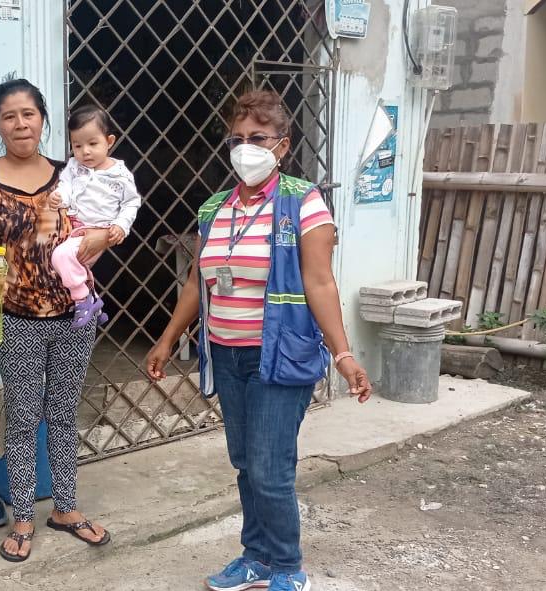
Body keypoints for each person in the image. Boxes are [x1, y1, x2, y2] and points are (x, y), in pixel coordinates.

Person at [145, 89, 372, 591]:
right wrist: (166, 339)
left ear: (283, 145)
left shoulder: (302, 201)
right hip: (227, 356)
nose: (246, 147)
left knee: (270, 468)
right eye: (238, 138)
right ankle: (256, 557)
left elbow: (320, 282)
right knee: (246, 464)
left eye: (259, 138)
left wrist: (343, 353)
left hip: (279, 356)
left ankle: (287, 565)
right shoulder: (214, 209)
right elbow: (197, 283)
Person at [0, 78, 112, 563]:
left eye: (29, 114)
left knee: (63, 412)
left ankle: (65, 507)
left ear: (43, 119)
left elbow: (96, 225)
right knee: (23, 417)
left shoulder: (71, 175)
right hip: (14, 317)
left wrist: (99, 242)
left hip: (74, 314)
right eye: (9, 116)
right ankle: (23, 516)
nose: (21, 124)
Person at [49, 105, 141, 328]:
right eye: (77, 146)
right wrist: (59, 197)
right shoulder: (74, 167)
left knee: (60, 257)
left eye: (92, 144)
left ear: (109, 141)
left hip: (98, 232)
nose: (85, 152)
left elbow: (131, 202)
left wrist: (121, 225)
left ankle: (82, 299)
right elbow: (66, 186)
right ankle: (94, 303)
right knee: (75, 265)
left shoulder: (119, 174)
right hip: (74, 228)